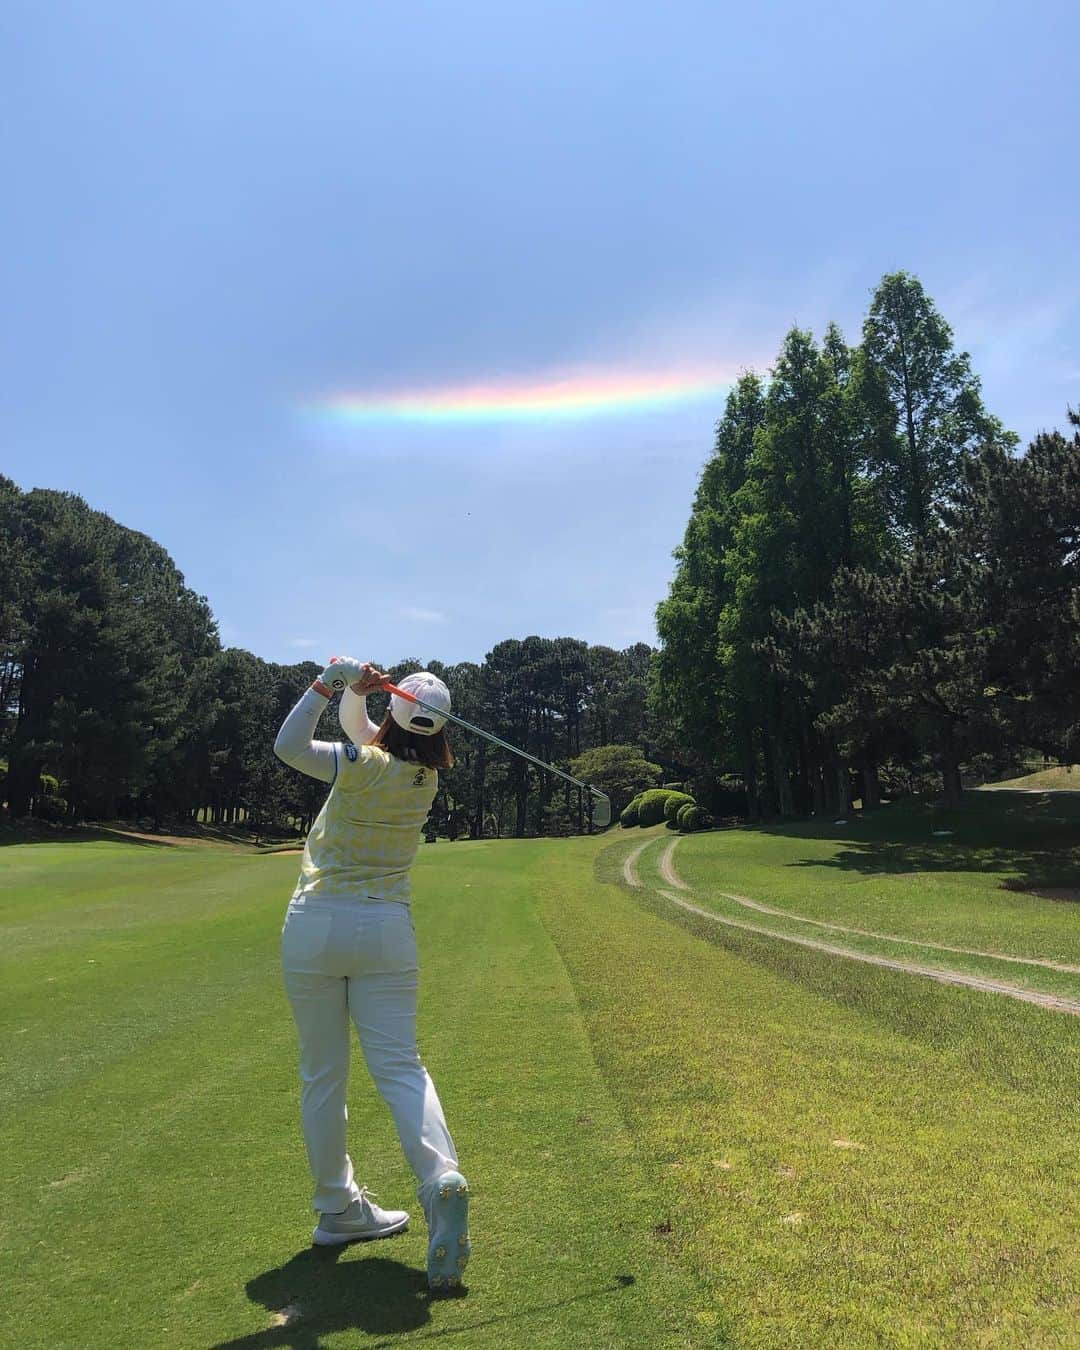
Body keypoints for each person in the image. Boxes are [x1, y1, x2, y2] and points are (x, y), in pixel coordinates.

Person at [273, 657, 470, 1291]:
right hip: (386, 931)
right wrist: (355, 695)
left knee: (322, 1074)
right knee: (402, 1066)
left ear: (394, 710)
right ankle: (439, 1175)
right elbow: (369, 735)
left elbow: (289, 747)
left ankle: (337, 1206)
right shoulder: (422, 781)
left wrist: (325, 686)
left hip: (316, 926)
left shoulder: (361, 765)